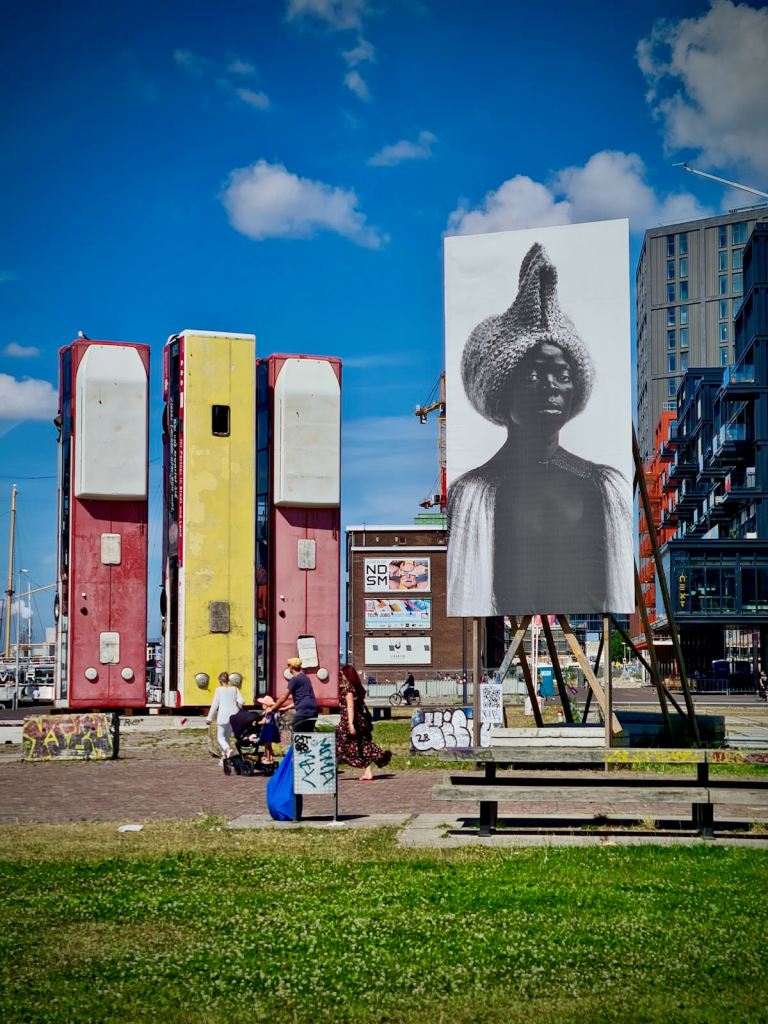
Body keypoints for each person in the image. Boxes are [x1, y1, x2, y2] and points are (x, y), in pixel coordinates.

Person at [447, 242, 633, 616]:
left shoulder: (605, 485)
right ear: (503, 391)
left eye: (562, 374)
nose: (551, 386)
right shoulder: (472, 496)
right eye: (533, 374)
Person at [336, 664, 391, 781]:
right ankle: (372, 765)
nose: (341, 676)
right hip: (358, 721)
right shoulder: (354, 688)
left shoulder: (349, 690)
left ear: (347, 675)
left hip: (350, 721)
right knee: (362, 745)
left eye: (342, 674)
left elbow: (350, 707)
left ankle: (330, 768)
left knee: (339, 744)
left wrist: (350, 724)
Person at [270, 658, 318, 733]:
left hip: (303, 712)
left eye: (288, 665)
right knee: (308, 735)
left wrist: (272, 709)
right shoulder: (306, 678)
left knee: (297, 735)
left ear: (291, 666)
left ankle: (295, 745)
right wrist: (286, 708)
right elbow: (303, 699)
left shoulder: (294, 679)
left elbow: (283, 698)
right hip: (313, 711)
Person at [206, 672, 243, 764]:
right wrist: (238, 708)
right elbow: (242, 701)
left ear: (220, 680)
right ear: (228, 680)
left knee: (220, 738)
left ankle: (227, 749)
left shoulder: (219, 690)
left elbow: (215, 705)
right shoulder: (235, 689)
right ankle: (224, 760)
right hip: (233, 716)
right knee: (227, 738)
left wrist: (209, 718)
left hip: (223, 716)